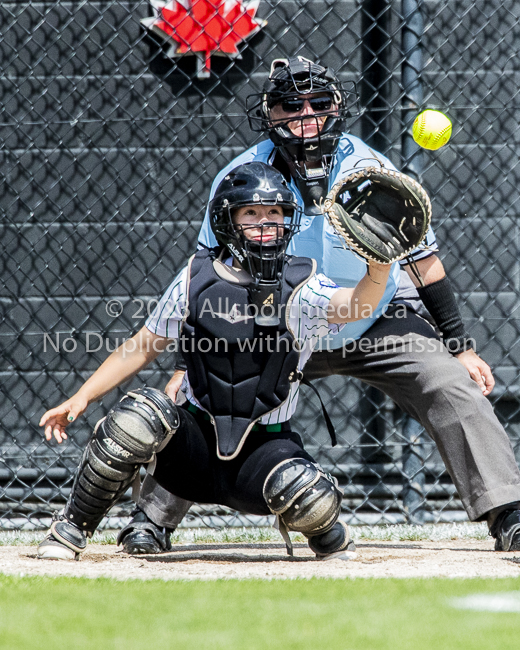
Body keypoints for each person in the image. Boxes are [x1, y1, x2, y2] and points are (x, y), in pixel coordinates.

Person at [119, 56, 520, 556]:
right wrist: (187, 363)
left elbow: (424, 262)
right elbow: (209, 277)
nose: (305, 114)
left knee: (448, 383)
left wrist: (460, 346)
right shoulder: (244, 177)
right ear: (269, 113)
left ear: (336, 108)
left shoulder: (370, 169)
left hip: (376, 315)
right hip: (277, 321)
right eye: (290, 104)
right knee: (207, 392)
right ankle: (151, 520)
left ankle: (509, 514)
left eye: (319, 102)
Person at [37, 162, 393, 561]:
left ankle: (328, 533)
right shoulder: (196, 276)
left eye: (275, 213)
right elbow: (143, 345)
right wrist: (81, 398)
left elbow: (356, 305)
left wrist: (378, 267)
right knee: (137, 417)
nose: (265, 223)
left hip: (263, 452)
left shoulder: (304, 282)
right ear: (228, 221)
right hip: (192, 451)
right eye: (251, 213)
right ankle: (70, 530)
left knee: (308, 493)